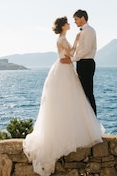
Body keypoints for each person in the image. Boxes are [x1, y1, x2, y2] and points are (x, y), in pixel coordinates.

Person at [22, 16, 103, 176]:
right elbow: (71, 53)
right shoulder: (62, 39)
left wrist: (76, 44)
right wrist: (77, 42)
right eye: (67, 23)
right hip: (64, 69)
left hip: (64, 68)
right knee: (69, 99)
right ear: (63, 26)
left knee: (69, 99)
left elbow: (70, 53)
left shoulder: (63, 38)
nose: (70, 24)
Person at [61, 9, 97, 115]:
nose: (75, 22)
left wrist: (71, 59)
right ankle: (86, 120)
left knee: (88, 93)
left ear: (82, 18)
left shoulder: (89, 31)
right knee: (83, 93)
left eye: (76, 19)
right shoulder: (82, 32)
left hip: (87, 63)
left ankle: (93, 121)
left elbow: (86, 50)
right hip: (81, 63)